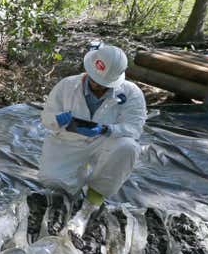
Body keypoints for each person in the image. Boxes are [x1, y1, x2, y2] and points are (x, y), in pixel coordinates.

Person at [38, 44, 147, 210]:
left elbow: (134, 128)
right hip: (69, 141)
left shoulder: (132, 93)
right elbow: (46, 118)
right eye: (95, 80)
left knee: (128, 147)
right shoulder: (66, 86)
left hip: (105, 142)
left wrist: (107, 129)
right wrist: (57, 120)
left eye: (104, 84)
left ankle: (95, 195)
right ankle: (74, 183)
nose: (98, 86)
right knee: (53, 181)